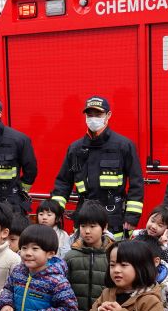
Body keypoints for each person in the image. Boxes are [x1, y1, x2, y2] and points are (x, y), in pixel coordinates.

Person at [50, 96, 145, 238]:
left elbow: (136, 183)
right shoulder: (76, 148)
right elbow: (63, 182)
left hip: (113, 217)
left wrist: (132, 216)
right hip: (84, 215)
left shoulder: (123, 145)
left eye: (98, 114)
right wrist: (55, 212)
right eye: (90, 115)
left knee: (112, 257)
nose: (93, 119)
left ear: (108, 115)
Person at [0, 224, 78, 311]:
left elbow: (69, 310)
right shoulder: (18, 272)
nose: (27, 253)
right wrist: (5, 304)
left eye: (35, 249)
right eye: (24, 248)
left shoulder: (57, 281)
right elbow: (8, 290)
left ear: (50, 253)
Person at [64, 202, 114, 311]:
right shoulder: (71, 256)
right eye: (83, 226)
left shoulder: (112, 255)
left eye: (93, 226)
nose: (87, 231)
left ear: (104, 227)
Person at [132, 204, 168, 273]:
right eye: (152, 221)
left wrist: (164, 246)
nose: (154, 226)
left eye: (160, 225)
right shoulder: (139, 235)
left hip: (160, 277)